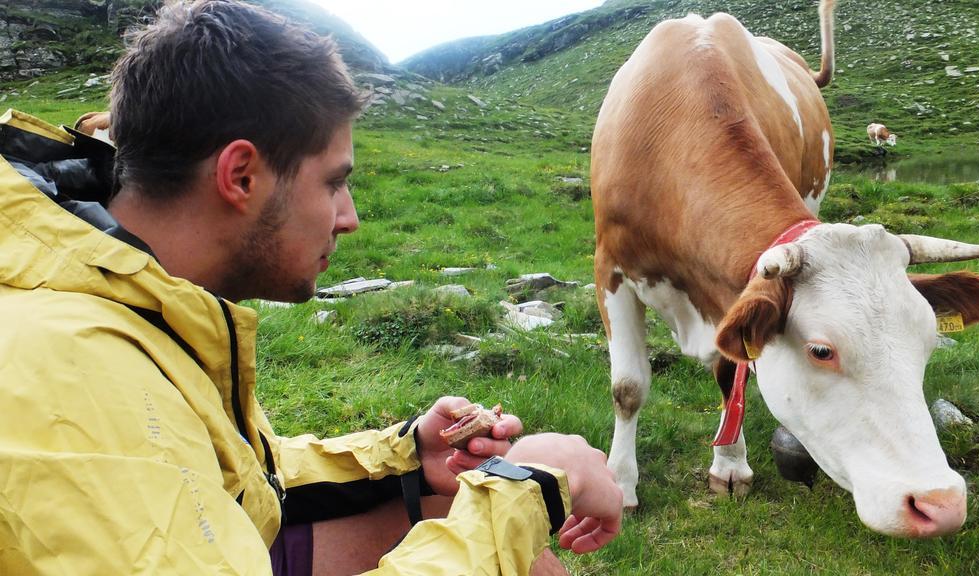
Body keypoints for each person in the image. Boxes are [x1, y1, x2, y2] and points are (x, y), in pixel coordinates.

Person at [0, 1, 622, 574]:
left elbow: (222, 477)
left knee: (454, 522)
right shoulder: (68, 378)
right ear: (241, 176)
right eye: (332, 182)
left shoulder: (136, 295)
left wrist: (403, 458)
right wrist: (529, 486)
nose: (349, 217)